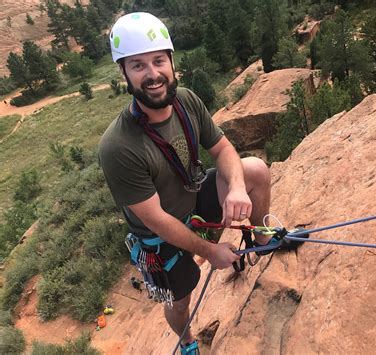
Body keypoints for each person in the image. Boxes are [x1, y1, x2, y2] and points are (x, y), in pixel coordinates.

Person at [99, 12, 272, 355]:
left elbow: (222, 148)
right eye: (138, 65)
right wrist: (210, 252)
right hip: (160, 237)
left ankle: (262, 237)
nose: (152, 74)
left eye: (159, 60)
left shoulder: (186, 101)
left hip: (192, 200)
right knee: (180, 302)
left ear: (171, 62)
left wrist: (236, 187)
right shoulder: (118, 146)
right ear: (124, 73)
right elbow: (156, 220)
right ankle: (188, 341)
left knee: (254, 170)